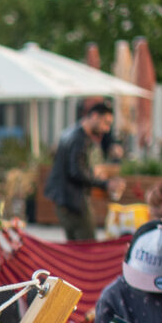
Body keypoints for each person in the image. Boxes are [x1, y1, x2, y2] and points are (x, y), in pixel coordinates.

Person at [45, 101, 114, 241]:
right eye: (105, 123)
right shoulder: (79, 139)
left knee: (75, 249)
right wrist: (104, 184)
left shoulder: (70, 132)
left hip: (64, 200)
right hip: (74, 202)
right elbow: (76, 172)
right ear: (94, 116)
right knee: (87, 249)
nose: (106, 129)